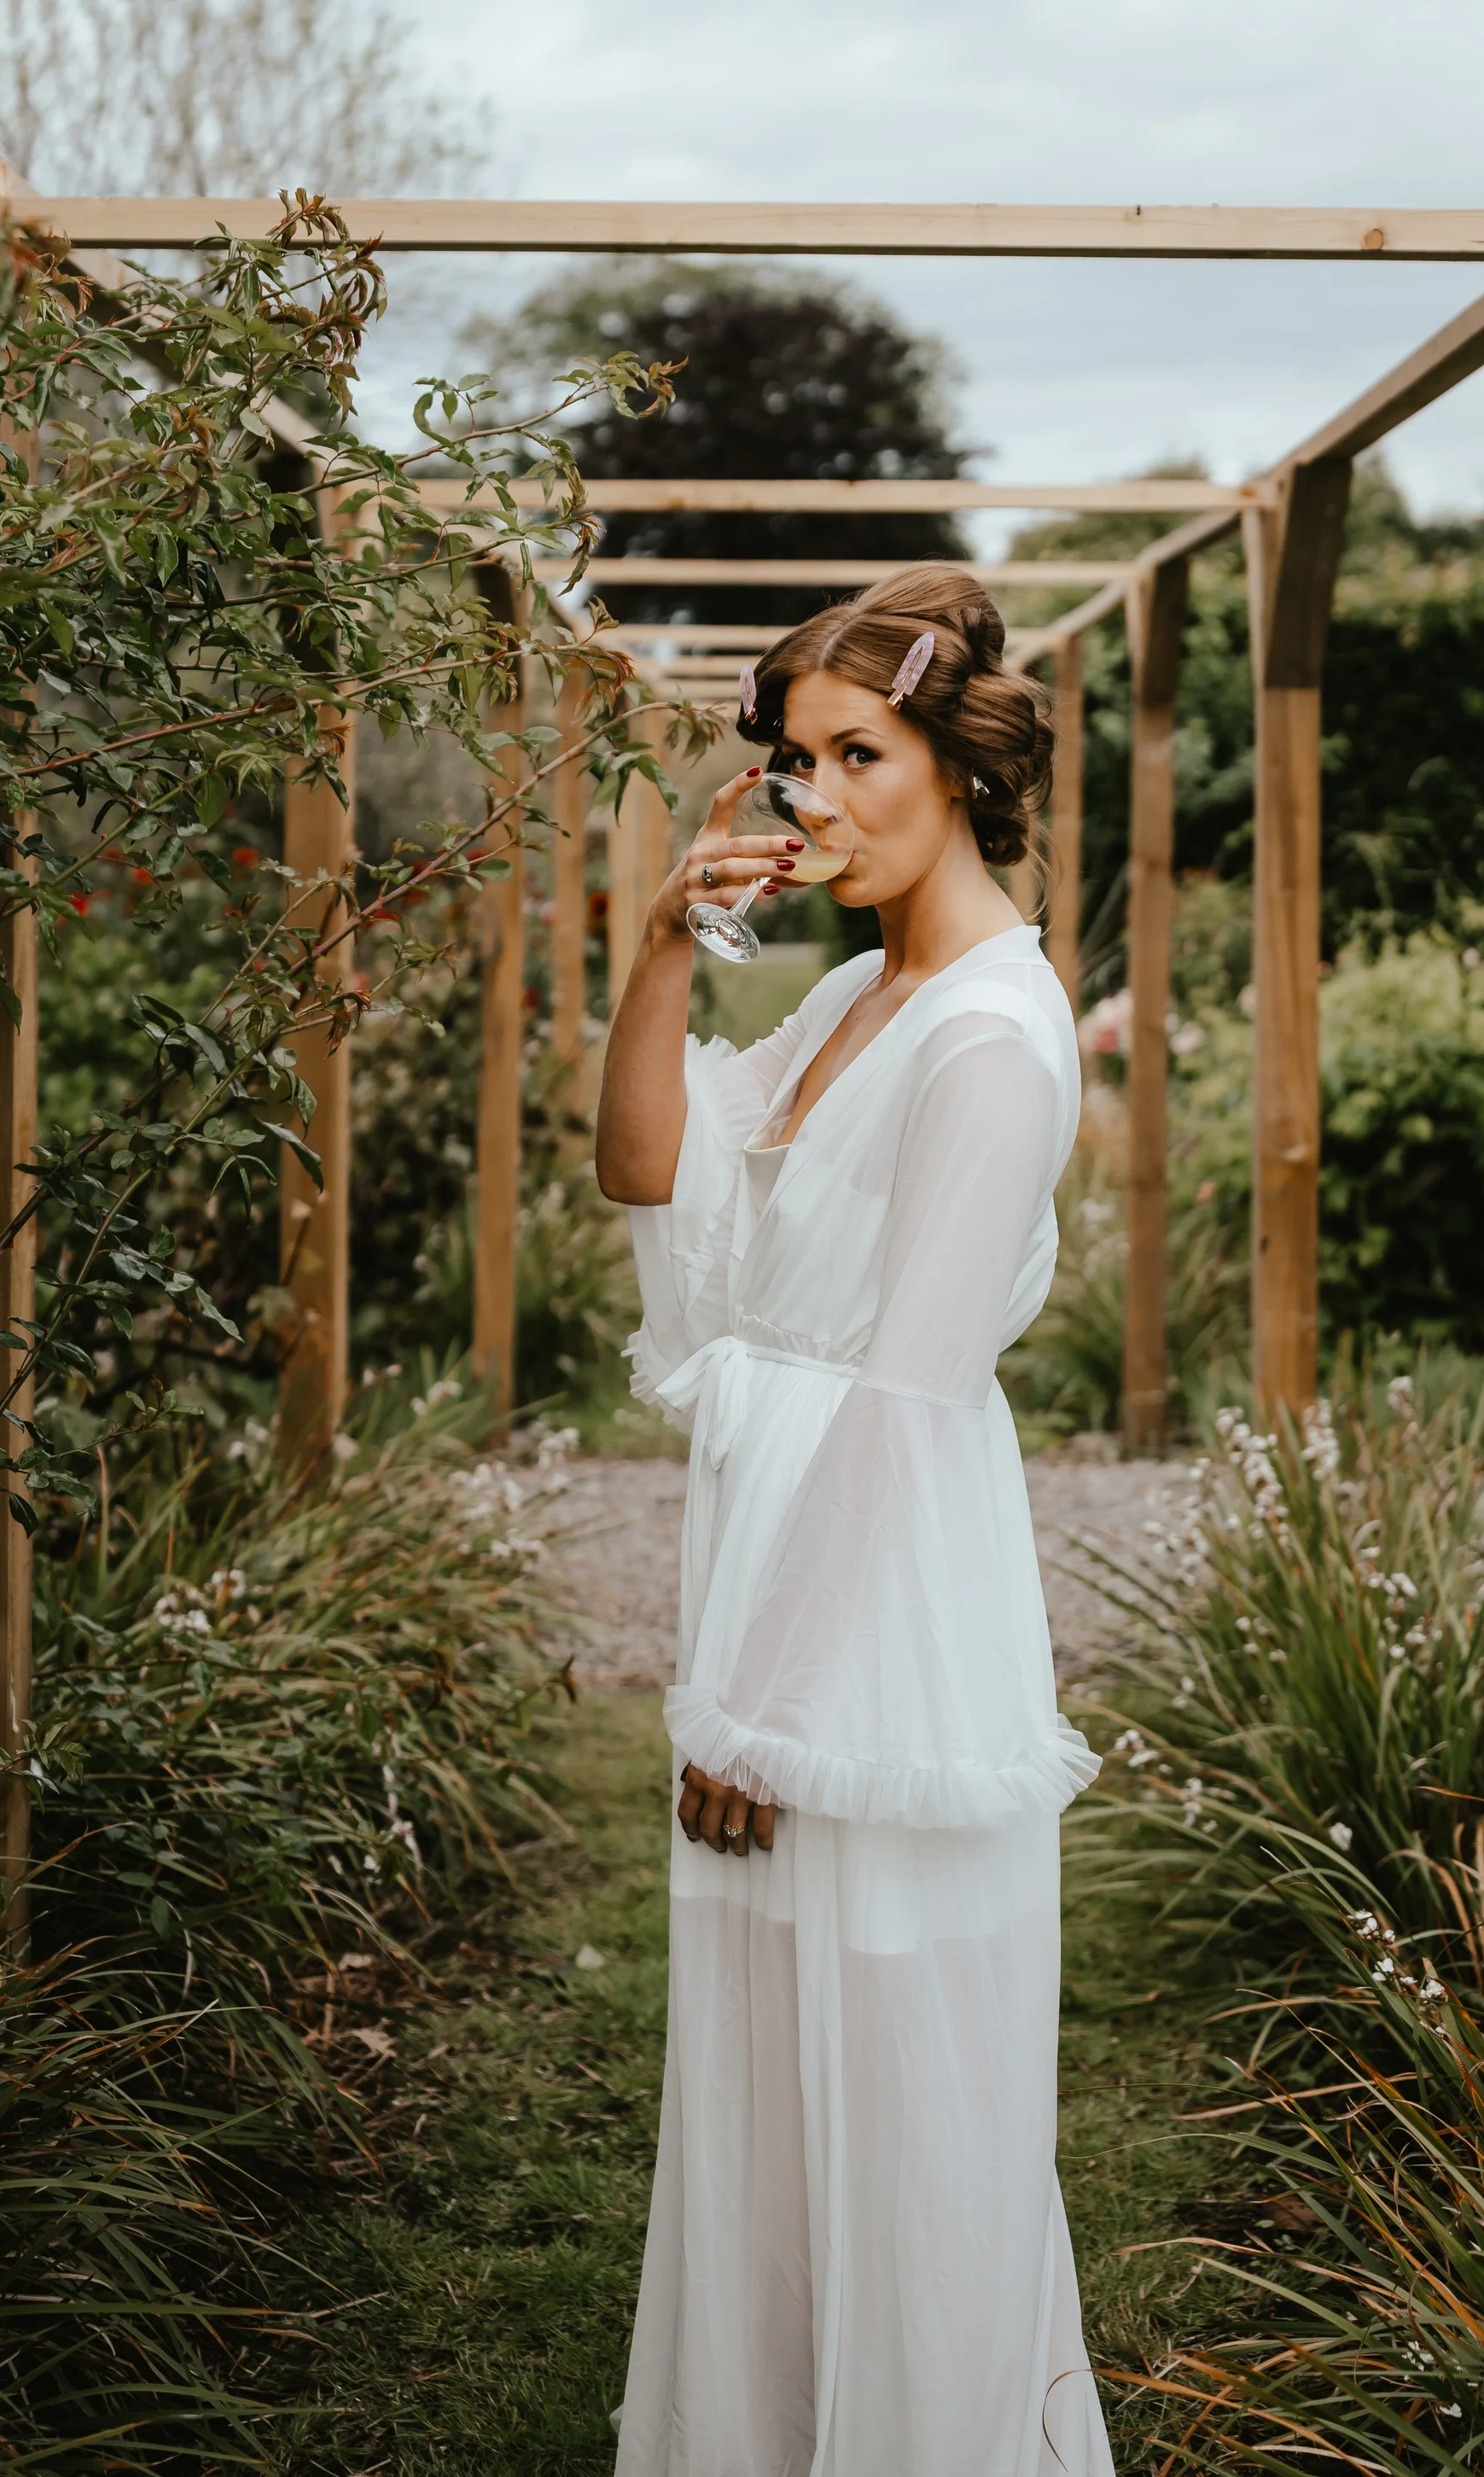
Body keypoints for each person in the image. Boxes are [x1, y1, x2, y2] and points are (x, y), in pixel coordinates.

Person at [598, 564, 1114, 2477]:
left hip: (872, 1624)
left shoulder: (987, 1035)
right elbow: (644, 1168)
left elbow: (904, 1399)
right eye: (789, 760)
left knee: (902, 2090)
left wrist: (764, 1712)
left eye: (852, 754)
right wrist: (661, 948)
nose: (808, 796)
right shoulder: (843, 990)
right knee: (764, 2088)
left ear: (955, 768)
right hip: (775, 1575)